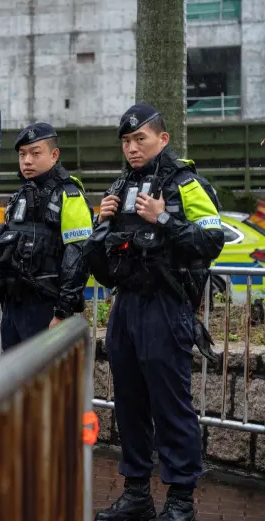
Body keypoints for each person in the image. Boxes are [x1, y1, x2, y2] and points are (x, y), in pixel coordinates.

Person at [86, 105, 224, 521]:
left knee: (170, 406)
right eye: (126, 142)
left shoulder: (186, 183)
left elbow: (212, 239)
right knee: (128, 403)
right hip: (126, 306)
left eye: (139, 139)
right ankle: (137, 495)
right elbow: (103, 266)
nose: (131, 148)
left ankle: (180, 502)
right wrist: (100, 225)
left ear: (162, 139)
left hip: (166, 306)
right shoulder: (120, 186)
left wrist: (162, 217)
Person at [0, 123, 93, 351]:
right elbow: (2, 254)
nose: (27, 161)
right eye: (22, 154)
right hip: (13, 308)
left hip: (47, 309)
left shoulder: (69, 196)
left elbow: (78, 257)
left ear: (54, 155)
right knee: (15, 381)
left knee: (46, 384)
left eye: (35, 153)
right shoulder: (17, 198)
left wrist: (62, 312)